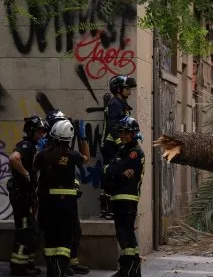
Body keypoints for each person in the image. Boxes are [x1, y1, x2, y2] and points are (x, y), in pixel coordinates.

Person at [35, 120, 90, 277]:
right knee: (65, 239)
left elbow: (35, 167)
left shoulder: (43, 155)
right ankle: (61, 268)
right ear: (69, 138)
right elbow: (86, 157)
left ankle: (53, 270)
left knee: (50, 239)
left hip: (47, 205)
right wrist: (83, 138)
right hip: (67, 205)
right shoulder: (72, 156)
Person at [103, 116, 144, 277]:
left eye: (127, 132)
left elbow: (113, 169)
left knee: (126, 233)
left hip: (128, 197)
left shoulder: (135, 152)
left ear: (134, 134)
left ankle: (131, 269)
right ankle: (127, 269)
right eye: (121, 132)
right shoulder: (122, 150)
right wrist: (117, 172)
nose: (123, 135)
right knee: (122, 233)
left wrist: (115, 171)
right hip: (118, 197)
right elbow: (107, 170)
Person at [8, 115, 48, 276]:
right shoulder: (25, 145)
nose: (42, 135)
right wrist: (26, 174)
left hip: (27, 197)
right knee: (25, 231)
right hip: (21, 197)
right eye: (40, 131)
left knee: (32, 231)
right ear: (31, 132)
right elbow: (13, 158)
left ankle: (28, 263)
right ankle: (18, 267)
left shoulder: (32, 147)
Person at [100, 75, 137, 219]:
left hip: (118, 145)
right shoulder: (115, 104)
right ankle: (107, 209)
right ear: (118, 89)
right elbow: (113, 125)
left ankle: (115, 207)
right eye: (127, 88)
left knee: (118, 174)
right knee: (110, 173)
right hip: (111, 145)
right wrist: (120, 143)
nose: (130, 91)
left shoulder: (122, 103)